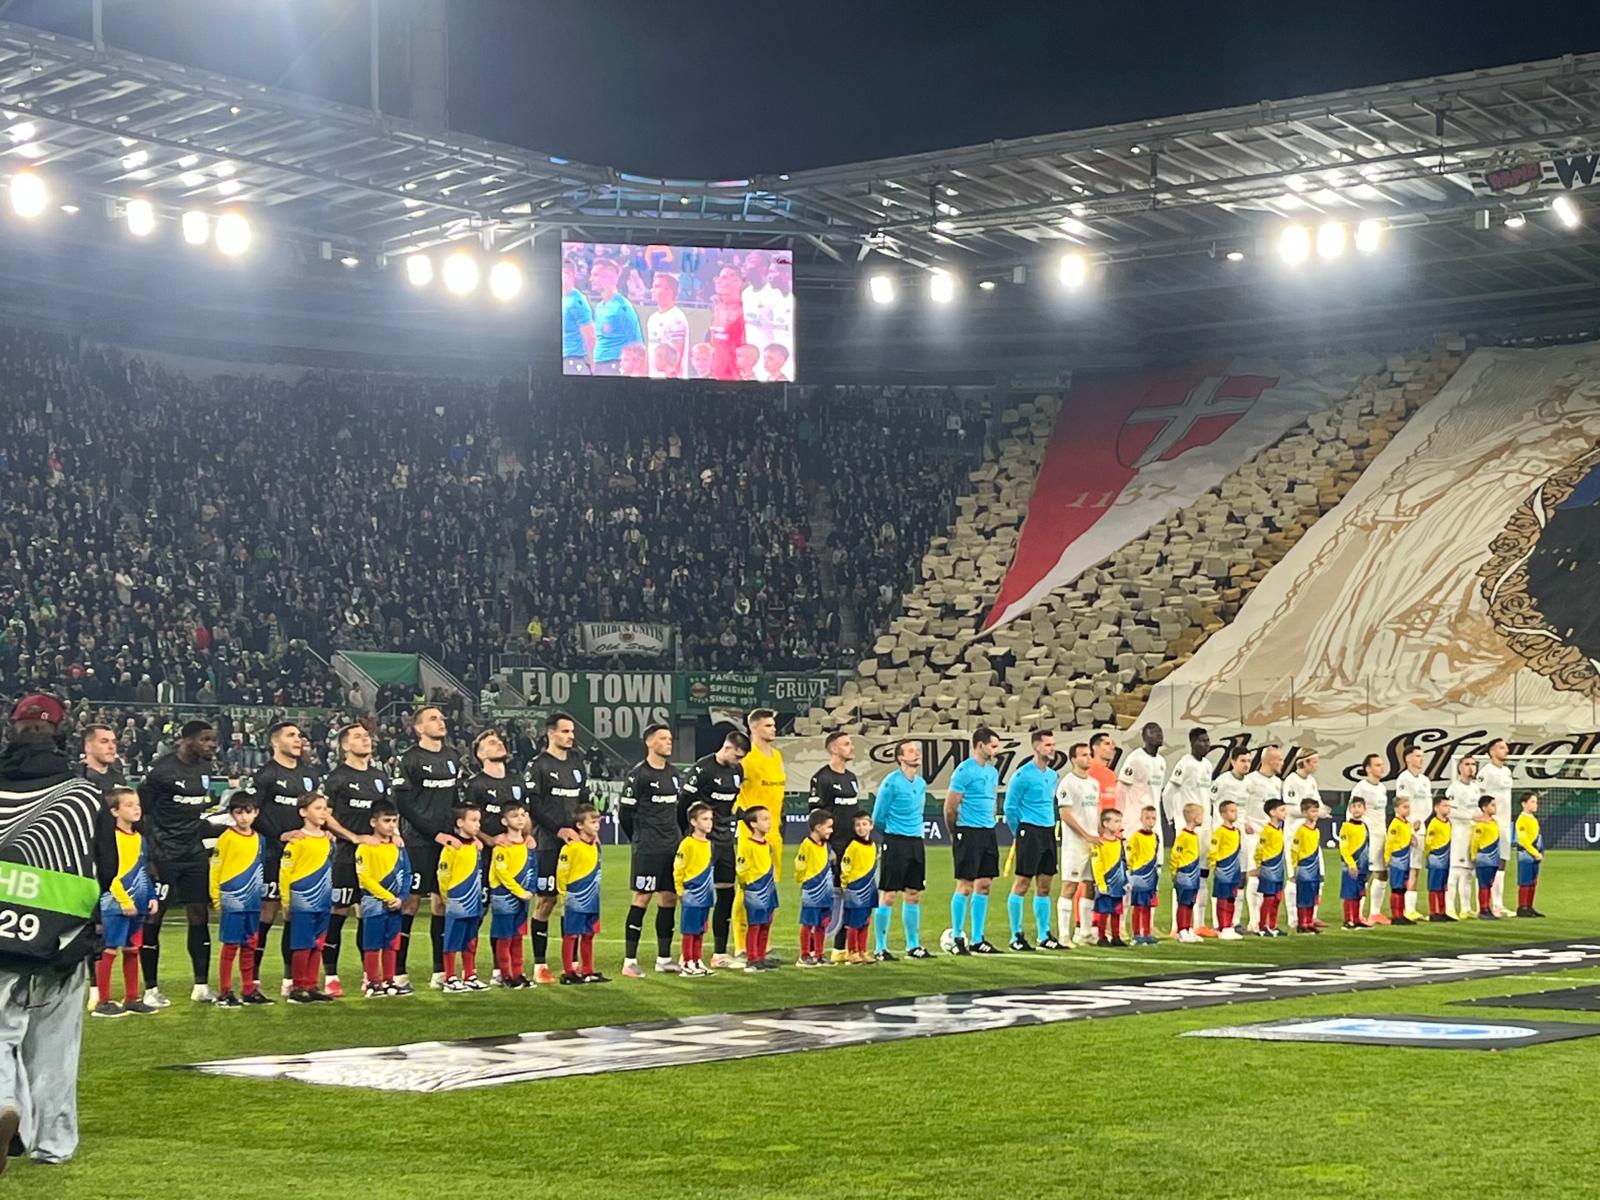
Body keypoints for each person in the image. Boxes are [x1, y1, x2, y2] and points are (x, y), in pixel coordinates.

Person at [0, 694, 118, 1170]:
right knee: (56, 1048)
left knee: (0, 1035)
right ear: (61, 735)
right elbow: (107, 868)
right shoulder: (84, 795)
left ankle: (5, 1103)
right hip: (63, 939)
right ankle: (54, 1144)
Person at [138, 719, 220, 1006]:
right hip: (164, 855)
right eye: (205, 739)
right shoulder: (161, 771)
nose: (212, 745)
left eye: (213, 740)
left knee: (199, 916)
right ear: (187, 740)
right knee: (154, 917)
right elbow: (143, 815)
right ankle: (150, 989)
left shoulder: (205, 769)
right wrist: (149, 857)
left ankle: (201, 986)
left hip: (194, 853)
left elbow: (195, 813)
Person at [391, 706, 464, 992]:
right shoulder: (409, 759)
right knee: (410, 902)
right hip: (418, 841)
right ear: (419, 728)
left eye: (442, 718)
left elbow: (454, 798)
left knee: (442, 903)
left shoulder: (452, 756)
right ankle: (398, 972)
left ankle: (440, 972)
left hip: (447, 841)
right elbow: (403, 804)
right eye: (433, 719)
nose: (441, 721)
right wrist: (435, 833)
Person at [250, 720, 321, 997]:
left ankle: (292, 980)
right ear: (275, 742)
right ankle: (252, 980)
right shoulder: (266, 775)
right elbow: (253, 811)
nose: (298, 739)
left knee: (297, 915)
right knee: (267, 914)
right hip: (272, 854)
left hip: (304, 857)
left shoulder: (309, 774)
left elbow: (317, 811)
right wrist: (278, 835)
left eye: (299, 735)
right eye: (291, 735)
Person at [321, 722, 387, 998]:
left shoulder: (379, 776)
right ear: (345, 745)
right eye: (358, 737)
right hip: (347, 857)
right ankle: (331, 976)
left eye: (367, 736)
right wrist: (353, 837)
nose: (366, 740)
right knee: (338, 913)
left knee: (368, 916)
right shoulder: (337, 778)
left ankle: (369, 976)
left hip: (374, 857)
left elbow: (386, 814)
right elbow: (325, 815)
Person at [618, 723, 683, 979]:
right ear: (649, 742)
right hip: (647, 848)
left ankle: (664, 958)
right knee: (642, 898)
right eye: (663, 738)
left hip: (671, 847)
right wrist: (638, 839)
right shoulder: (639, 775)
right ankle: (629, 961)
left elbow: (679, 812)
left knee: (669, 899)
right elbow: (625, 814)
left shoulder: (674, 774)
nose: (669, 742)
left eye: (670, 738)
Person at [678, 729, 747, 968]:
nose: (738, 762)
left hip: (725, 840)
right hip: (703, 841)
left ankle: (719, 954)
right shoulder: (702, 769)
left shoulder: (737, 771)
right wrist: (688, 834)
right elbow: (684, 805)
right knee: (697, 896)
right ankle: (687, 953)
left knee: (726, 893)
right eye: (737, 756)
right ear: (727, 748)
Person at [529, 711, 589, 984]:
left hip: (576, 845)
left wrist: (587, 829)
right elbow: (533, 805)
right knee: (546, 901)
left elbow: (583, 801)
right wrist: (558, 829)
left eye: (572, 731)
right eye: (565, 731)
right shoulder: (538, 765)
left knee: (574, 902)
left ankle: (571, 963)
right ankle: (539, 965)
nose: (570, 736)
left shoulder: (577, 763)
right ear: (550, 733)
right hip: (548, 844)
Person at [93, 787, 159, 1018]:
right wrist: (123, 900)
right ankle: (103, 1001)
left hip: (137, 903)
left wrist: (151, 896)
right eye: (129, 805)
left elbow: (142, 870)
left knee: (132, 949)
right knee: (109, 949)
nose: (136, 809)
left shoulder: (140, 839)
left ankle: (132, 997)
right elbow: (109, 873)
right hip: (116, 903)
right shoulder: (110, 839)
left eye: (137, 804)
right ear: (114, 811)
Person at [943, 727, 1003, 956]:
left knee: (985, 884)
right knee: (965, 884)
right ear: (980, 745)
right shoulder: (964, 771)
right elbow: (950, 807)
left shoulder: (992, 771)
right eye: (993, 746)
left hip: (988, 832)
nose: (996, 750)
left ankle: (978, 939)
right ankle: (957, 937)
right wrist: (955, 832)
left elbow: (992, 800)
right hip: (968, 832)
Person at [871, 739, 932, 960]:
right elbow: (878, 817)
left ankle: (913, 945)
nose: (917, 754)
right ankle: (880, 948)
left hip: (916, 842)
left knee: (913, 894)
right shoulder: (891, 783)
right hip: (895, 841)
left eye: (917, 750)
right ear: (900, 757)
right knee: (888, 895)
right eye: (911, 751)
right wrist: (892, 834)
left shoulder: (921, 783)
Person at [1004, 729, 1063, 952]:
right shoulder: (1022, 775)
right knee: (1022, 883)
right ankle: (1016, 935)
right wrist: (1019, 833)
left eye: (1053, 744)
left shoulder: (1052, 775)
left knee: (1045, 884)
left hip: (1048, 831)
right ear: (1036, 747)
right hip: (1029, 831)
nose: (1052, 748)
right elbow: (1010, 808)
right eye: (1048, 745)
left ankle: (1043, 934)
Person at [734, 710, 785, 962]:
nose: (773, 729)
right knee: (747, 890)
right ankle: (740, 946)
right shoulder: (745, 759)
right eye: (767, 725)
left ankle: (764, 946)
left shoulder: (777, 757)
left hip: (773, 834)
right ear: (753, 728)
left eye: (773, 725)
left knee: (769, 890)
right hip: (750, 835)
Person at [210, 791, 267, 1008]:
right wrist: (216, 897)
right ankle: (225, 991)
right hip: (232, 898)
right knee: (231, 945)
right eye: (239, 812)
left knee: (250, 944)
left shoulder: (260, 839)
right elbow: (215, 868)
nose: (244, 817)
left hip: (252, 900)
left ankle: (248, 989)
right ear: (232, 814)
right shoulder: (226, 838)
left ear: (256, 813)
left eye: (248, 812)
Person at [807, 731, 860, 960]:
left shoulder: (852, 778)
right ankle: (811, 950)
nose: (851, 747)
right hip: (833, 848)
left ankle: (840, 950)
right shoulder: (822, 778)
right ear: (834, 749)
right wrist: (826, 848)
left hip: (851, 847)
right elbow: (816, 817)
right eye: (846, 744)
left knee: (849, 897)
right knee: (825, 898)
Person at [281, 793, 335, 1003]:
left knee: (318, 943)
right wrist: (286, 901)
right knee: (302, 944)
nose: (324, 812)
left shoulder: (328, 839)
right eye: (318, 808)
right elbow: (285, 872)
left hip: (323, 898)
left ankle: (312, 985)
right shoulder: (297, 841)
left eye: (325, 808)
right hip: (302, 899)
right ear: (303, 812)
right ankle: (298, 987)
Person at [355, 800, 411, 998]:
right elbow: (365, 878)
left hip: (395, 904)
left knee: (392, 943)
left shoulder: (399, 847)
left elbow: (407, 873)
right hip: (374, 903)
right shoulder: (365, 848)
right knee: (372, 943)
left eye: (394, 821)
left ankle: (389, 981)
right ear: (373, 822)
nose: (391, 825)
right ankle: (373, 982)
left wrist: (402, 898)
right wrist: (389, 897)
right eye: (386, 820)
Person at [1162, 727, 1211, 936]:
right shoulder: (1185, 764)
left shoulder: (1207, 765)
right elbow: (1168, 792)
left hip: (1205, 824)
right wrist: (1172, 818)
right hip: (1188, 825)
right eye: (1202, 741)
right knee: (1184, 875)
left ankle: (1198, 923)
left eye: (1207, 741)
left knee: (1202, 874)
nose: (1206, 744)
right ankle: (1177, 926)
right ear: (1192, 743)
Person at [437, 803, 487, 992]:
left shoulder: (475, 846)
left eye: (479, 820)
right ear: (460, 823)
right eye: (473, 820)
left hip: (474, 899)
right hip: (457, 899)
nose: (478, 825)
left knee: (471, 939)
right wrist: (447, 898)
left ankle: (469, 975)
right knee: (452, 940)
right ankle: (450, 978)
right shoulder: (451, 848)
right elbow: (443, 875)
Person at [1056, 741, 1102, 945]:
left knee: (1090, 885)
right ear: (1073, 759)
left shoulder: (1094, 783)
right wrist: (1085, 834)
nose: (1088, 758)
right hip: (1074, 844)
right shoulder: (1067, 783)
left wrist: (1099, 832)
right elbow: (1065, 814)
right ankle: (1064, 935)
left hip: (1093, 842)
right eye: (1084, 755)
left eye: (1089, 754)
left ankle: (1084, 932)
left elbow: (1097, 811)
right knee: (1070, 886)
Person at [556, 803, 607, 984]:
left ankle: (587, 970)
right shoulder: (571, 848)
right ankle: (568, 972)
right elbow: (562, 874)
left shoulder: (595, 846)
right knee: (571, 934)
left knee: (589, 934)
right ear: (579, 825)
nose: (597, 825)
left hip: (593, 897)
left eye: (597, 822)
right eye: (592, 822)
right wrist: (564, 896)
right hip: (575, 898)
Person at [488, 800, 536, 988]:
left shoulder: (528, 844)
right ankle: (506, 975)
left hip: (523, 896)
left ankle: (518, 973)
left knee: (517, 937)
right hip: (504, 896)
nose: (520, 819)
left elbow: (533, 868)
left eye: (523, 815)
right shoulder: (501, 846)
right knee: (505, 937)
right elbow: (502, 873)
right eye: (514, 816)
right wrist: (520, 892)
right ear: (504, 821)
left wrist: (530, 890)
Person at [1205, 746, 1252, 934]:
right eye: (1243, 761)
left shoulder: (1248, 783)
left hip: (1241, 837)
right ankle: (1219, 923)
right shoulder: (1222, 782)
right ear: (1233, 761)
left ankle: (1235, 921)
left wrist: (1245, 823)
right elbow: (1208, 800)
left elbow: (1244, 809)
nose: (1246, 764)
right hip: (1224, 837)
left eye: (1249, 761)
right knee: (1222, 881)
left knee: (1240, 879)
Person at [1240, 744, 1283, 934]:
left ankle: (1267, 922)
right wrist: (1244, 821)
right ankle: (1254, 921)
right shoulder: (1250, 780)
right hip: (1254, 833)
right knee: (1254, 874)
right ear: (1269, 761)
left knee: (1271, 877)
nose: (1282, 762)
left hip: (1271, 835)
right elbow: (1240, 803)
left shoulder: (1278, 783)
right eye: (1279, 759)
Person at [673, 802, 717, 976]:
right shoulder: (687, 844)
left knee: (700, 929)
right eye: (704, 819)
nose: (709, 822)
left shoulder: (709, 844)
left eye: (710, 819)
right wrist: (680, 890)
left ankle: (697, 960)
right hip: (692, 893)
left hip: (706, 893)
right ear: (693, 822)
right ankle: (687, 962)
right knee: (689, 930)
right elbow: (679, 868)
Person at [736, 806, 779, 972]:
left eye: (769, 818)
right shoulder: (747, 845)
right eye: (764, 819)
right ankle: (752, 958)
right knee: (755, 924)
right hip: (755, 889)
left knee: (766, 922)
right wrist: (749, 884)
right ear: (753, 824)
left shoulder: (767, 845)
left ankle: (761, 957)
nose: (769, 822)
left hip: (768, 888)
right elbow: (741, 868)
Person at [1282, 750, 1322, 930]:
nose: (1317, 765)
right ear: (1304, 763)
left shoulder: (1311, 781)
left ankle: (1311, 917)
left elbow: (1319, 803)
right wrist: (1311, 812)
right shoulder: (1291, 780)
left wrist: (1320, 810)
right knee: (1294, 876)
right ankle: (1294, 918)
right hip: (1295, 833)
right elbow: (1289, 808)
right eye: (1314, 761)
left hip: (1311, 833)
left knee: (1318, 875)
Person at [1349, 754, 1390, 926]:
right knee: (1365, 874)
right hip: (1367, 836)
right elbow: (1352, 810)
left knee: (1383, 873)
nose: (1382, 768)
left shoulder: (1382, 788)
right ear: (1368, 768)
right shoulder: (1361, 788)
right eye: (1377, 765)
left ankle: (1375, 913)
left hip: (1381, 835)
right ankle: (1357, 914)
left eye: (1382, 764)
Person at [1393, 745, 1432, 922]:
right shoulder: (1403, 779)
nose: (1421, 759)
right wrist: (1410, 823)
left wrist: (1420, 820)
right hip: (1407, 828)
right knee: (1406, 868)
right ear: (1408, 758)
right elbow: (1402, 804)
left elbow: (1428, 805)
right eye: (1417, 756)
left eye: (1422, 756)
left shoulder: (1425, 780)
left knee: (1416, 867)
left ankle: (1411, 908)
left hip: (1420, 827)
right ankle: (1403, 908)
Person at [1477, 739, 1515, 916]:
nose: (1506, 750)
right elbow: (1477, 796)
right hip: (1490, 825)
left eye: (1506, 747)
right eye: (1502, 747)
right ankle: (1484, 905)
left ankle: (1498, 904)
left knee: (1502, 862)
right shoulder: (1486, 772)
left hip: (1505, 823)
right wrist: (1481, 818)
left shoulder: (1507, 771)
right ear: (1492, 752)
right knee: (1487, 864)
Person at [589, 258, 643, 375]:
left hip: (615, 366)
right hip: (600, 365)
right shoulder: (599, 307)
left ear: (610, 278)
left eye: (596, 275)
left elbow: (636, 343)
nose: (591, 279)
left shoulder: (622, 307)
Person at [795, 809, 834, 968]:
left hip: (826, 890)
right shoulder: (807, 845)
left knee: (822, 923)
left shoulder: (826, 846)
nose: (831, 830)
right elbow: (800, 866)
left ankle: (819, 954)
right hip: (812, 890)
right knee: (808, 923)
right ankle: (804, 955)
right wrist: (806, 883)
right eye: (828, 827)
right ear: (818, 827)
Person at [839, 810, 879, 965]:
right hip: (856, 888)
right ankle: (852, 951)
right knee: (854, 922)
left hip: (869, 887)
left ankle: (863, 951)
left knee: (865, 921)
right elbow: (846, 866)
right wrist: (845, 885)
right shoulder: (853, 846)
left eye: (864, 824)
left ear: (871, 826)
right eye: (858, 825)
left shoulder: (873, 846)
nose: (861, 828)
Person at [1444, 755, 1481, 920]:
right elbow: (1449, 811)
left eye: (1473, 764)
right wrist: (1470, 817)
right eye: (1467, 764)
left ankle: (1466, 908)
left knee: (1468, 873)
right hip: (1458, 834)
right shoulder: (1454, 789)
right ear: (1459, 767)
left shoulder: (1475, 788)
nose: (1471, 767)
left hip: (1472, 833)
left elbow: (1476, 810)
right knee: (1454, 872)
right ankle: (1449, 908)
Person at [1090, 809, 1128, 947]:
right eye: (1116, 821)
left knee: (1117, 911)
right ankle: (1101, 937)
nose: (1119, 825)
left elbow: (1123, 862)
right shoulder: (1099, 843)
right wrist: (1100, 883)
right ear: (1105, 823)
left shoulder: (1120, 842)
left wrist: (1126, 880)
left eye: (1120, 821)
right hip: (1106, 882)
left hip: (1118, 883)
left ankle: (1116, 936)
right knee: (1104, 911)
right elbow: (1097, 864)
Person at [1208, 798, 1243, 941]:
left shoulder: (1237, 832)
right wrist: (1214, 866)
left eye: (1236, 811)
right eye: (1231, 811)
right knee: (1222, 898)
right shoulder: (1219, 832)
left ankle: (1229, 926)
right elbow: (1213, 850)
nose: (1235, 813)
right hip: (1223, 869)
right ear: (1223, 814)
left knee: (1231, 898)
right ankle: (1222, 927)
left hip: (1234, 870)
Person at [1125, 805, 1160, 945]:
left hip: (1151, 875)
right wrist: (1130, 873)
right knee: (1138, 905)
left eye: (1153, 818)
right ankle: (1136, 934)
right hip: (1139, 875)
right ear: (1141, 819)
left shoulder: (1155, 837)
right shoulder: (1135, 837)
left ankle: (1146, 933)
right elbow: (1130, 855)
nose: (1151, 821)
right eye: (1147, 818)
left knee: (1148, 905)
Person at [1170, 803, 1204, 943]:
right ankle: (1181, 930)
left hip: (1194, 873)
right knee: (1183, 903)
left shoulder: (1194, 835)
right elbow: (1175, 855)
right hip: (1184, 873)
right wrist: (1174, 872)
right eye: (1200, 815)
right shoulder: (1183, 836)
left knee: (1190, 902)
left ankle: (1188, 928)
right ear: (1193, 817)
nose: (1202, 818)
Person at [1254, 797, 1287, 937]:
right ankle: (1263, 925)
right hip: (1269, 866)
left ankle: (1273, 925)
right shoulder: (1267, 830)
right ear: (1272, 812)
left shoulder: (1279, 829)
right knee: (1269, 897)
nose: (1285, 813)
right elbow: (1259, 848)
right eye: (1282, 810)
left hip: (1279, 867)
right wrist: (1258, 864)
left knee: (1277, 897)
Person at [646, 271, 690, 379]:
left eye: (657, 286)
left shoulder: (676, 318)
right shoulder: (652, 319)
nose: (652, 290)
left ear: (669, 291)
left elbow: (676, 355)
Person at [1290, 797, 1324, 933]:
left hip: (1314, 867)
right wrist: (1295, 867)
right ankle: (1302, 923)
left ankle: (1309, 922)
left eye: (1316, 811)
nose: (1315, 814)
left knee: (1312, 896)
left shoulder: (1316, 831)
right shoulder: (1301, 831)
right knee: (1303, 896)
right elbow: (1294, 850)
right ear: (1304, 813)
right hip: (1304, 867)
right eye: (1312, 811)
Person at [1382, 794, 1416, 926]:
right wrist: (1387, 858)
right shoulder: (1395, 824)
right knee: (1397, 887)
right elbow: (1389, 842)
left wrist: (1412, 839)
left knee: (1402, 887)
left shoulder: (1407, 824)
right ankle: (1396, 915)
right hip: (1397, 859)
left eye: (1408, 807)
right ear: (1396, 809)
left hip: (1405, 859)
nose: (1407, 810)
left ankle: (1401, 914)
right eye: (1404, 807)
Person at [1339, 795, 1372, 930]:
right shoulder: (1346, 827)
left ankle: (1357, 918)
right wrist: (1351, 864)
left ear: (1365, 809)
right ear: (1349, 809)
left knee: (1358, 893)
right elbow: (1344, 848)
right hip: (1351, 865)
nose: (1356, 809)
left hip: (1362, 866)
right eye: (1354, 806)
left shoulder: (1364, 826)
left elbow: (1367, 846)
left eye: (1359, 806)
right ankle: (1348, 920)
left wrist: (1368, 865)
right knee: (1349, 892)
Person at [561, 257, 596, 373]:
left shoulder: (577, 301)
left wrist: (594, 365)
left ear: (569, 274)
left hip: (572, 360)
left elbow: (590, 336)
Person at [1423, 795, 1454, 922]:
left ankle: (1442, 911)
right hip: (1436, 857)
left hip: (1446, 858)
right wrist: (1429, 856)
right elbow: (1428, 842)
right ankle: (1433, 912)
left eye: (1449, 806)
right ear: (1436, 808)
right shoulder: (1434, 823)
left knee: (1442, 885)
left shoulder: (1448, 823)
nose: (1448, 808)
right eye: (1445, 806)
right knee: (1434, 885)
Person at [1471, 796, 1502, 919]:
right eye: (1492, 805)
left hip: (1493, 858)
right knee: (1484, 884)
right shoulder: (1480, 825)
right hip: (1484, 857)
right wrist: (1474, 855)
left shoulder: (1494, 822)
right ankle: (1483, 909)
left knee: (1489, 884)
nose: (1495, 808)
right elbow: (1475, 841)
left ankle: (1487, 908)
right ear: (1484, 808)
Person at [1515, 792, 1544, 918]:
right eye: (1532, 802)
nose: (1535, 805)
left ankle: (1529, 906)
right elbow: (1523, 840)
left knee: (1532, 881)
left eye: (1536, 802)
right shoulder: (1522, 820)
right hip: (1526, 855)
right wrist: (1535, 853)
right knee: (1525, 881)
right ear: (1524, 804)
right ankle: (1522, 907)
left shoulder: (1533, 819)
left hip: (1535, 854)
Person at [79, 724, 125, 799]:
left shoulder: (118, 776)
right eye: (104, 742)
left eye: (114, 742)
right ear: (88, 747)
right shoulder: (77, 777)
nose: (111, 746)